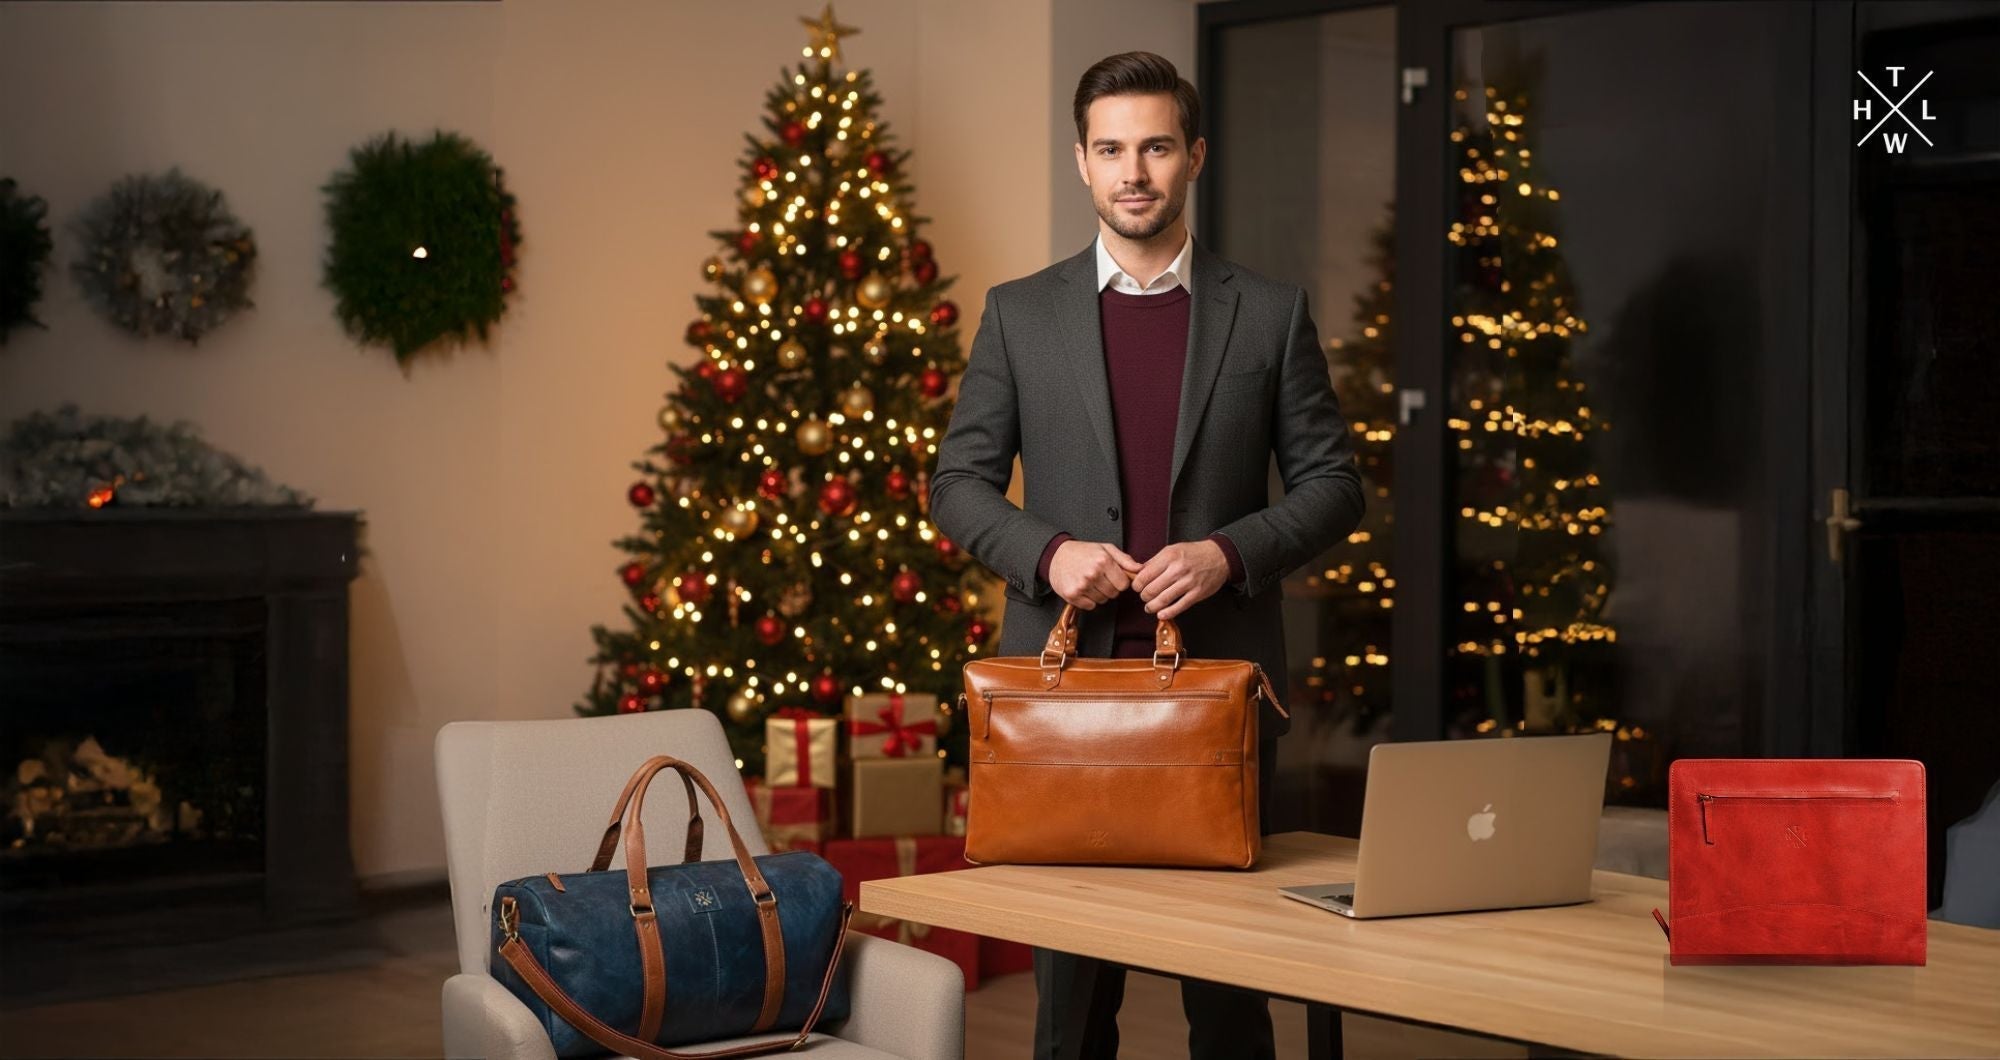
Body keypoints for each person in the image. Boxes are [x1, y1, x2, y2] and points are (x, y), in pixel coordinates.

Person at [927, 50, 1365, 1059]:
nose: (1134, 171)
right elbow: (955, 485)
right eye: (1111, 149)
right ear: (1081, 162)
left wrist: (1225, 553)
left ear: (1193, 157)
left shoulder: (1269, 312)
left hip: (1215, 700)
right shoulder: (1018, 314)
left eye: (1156, 147)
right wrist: (1045, 555)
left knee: (1229, 1002)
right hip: (1060, 705)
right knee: (1069, 1017)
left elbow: (1332, 486)